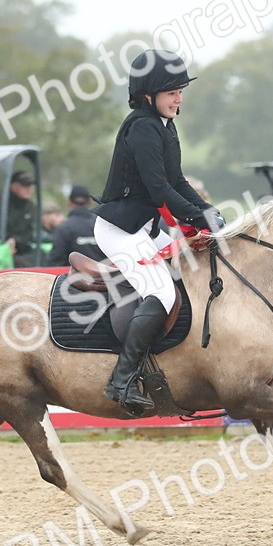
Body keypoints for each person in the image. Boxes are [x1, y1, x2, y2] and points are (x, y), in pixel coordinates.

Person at [94, 49, 224, 413]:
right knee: (162, 293)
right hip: (121, 230)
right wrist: (200, 218)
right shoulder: (141, 127)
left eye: (181, 91)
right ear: (149, 94)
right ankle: (121, 381)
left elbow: (177, 181)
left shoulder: (166, 124)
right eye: (171, 92)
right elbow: (158, 190)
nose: (179, 98)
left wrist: (208, 211)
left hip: (146, 227)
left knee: (196, 267)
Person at [0, 170, 39, 267]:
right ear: (13, 186)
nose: (29, 189)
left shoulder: (30, 207)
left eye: (30, 186)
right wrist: (2, 243)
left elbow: (29, 232)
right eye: (24, 185)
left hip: (21, 250)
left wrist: (16, 241)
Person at [49, 184, 106, 266]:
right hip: (104, 277)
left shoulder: (63, 228)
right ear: (89, 202)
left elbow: (55, 261)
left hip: (73, 277)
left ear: (69, 202)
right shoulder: (102, 226)